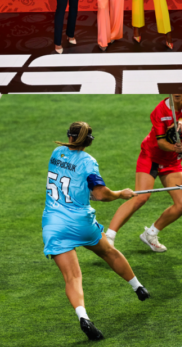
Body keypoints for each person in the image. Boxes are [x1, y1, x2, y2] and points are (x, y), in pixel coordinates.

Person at [39, 123, 149, 341]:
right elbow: (100, 194)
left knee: (72, 277)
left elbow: (70, 186)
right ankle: (139, 288)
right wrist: (120, 194)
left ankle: (83, 317)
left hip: (53, 224)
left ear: (69, 138)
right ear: (89, 141)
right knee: (108, 252)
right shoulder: (88, 162)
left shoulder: (56, 152)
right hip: (80, 223)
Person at [106, 94, 182, 252]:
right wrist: (173, 148)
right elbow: (161, 142)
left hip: (172, 162)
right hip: (151, 156)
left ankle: (150, 234)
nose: (177, 92)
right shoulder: (159, 111)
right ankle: (108, 237)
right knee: (141, 196)